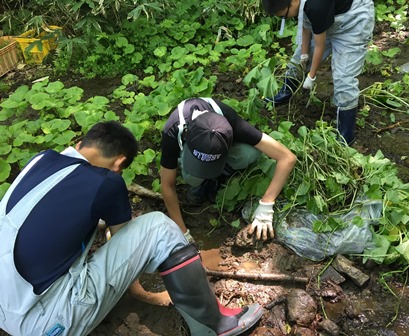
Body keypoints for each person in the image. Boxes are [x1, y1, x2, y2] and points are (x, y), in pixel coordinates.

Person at [0, 121, 263, 335]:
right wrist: (141, 290)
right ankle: (214, 326)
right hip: (42, 323)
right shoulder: (106, 181)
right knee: (159, 228)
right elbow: (127, 241)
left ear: (80, 144)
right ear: (118, 164)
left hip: (5, 308)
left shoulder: (41, 161)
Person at [160, 97, 296, 242]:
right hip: (191, 146)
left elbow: (287, 158)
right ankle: (200, 181)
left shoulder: (232, 122)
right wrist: (183, 232)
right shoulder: (174, 129)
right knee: (192, 177)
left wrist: (266, 205)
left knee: (249, 154)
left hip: (222, 146)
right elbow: (167, 184)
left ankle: (218, 175)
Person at [262, 0, 375, 144]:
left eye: (285, 15)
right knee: (296, 61)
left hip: (352, 22)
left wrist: (311, 76)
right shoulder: (301, 5)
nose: (287, 18)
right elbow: (305, 25)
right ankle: (286, 91)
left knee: (344, 79)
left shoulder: (316, 6)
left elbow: (319, 47)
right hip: (327, 17)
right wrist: (303, 55)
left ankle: (346, 134)